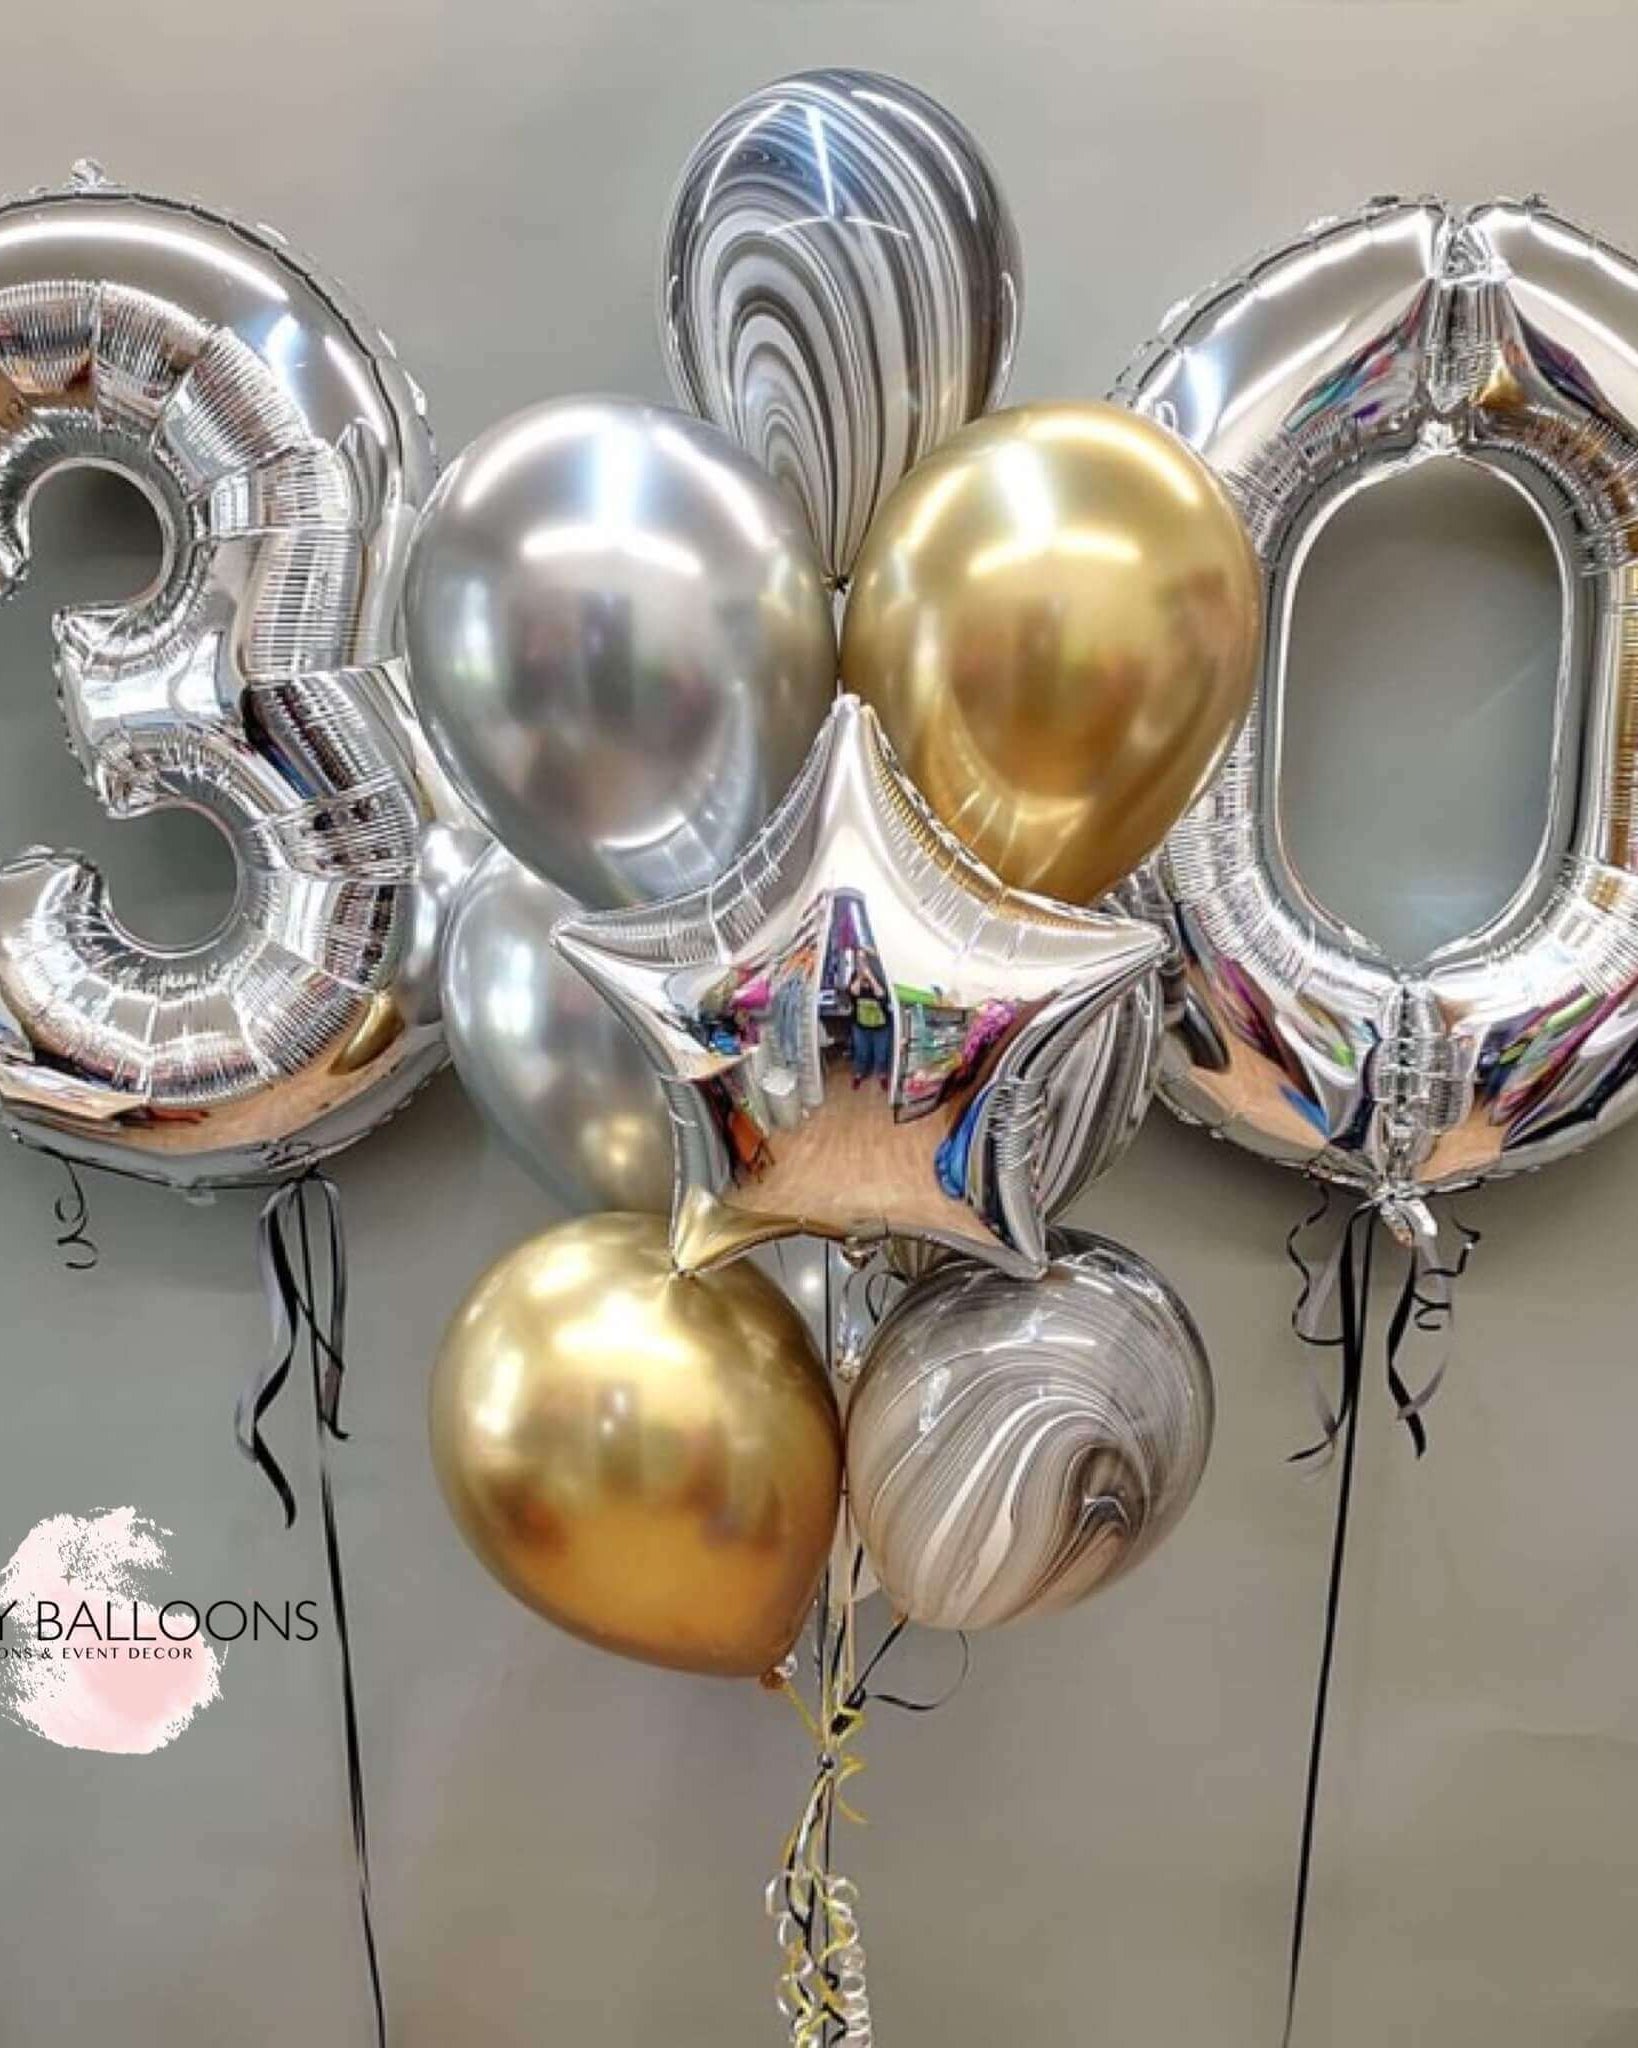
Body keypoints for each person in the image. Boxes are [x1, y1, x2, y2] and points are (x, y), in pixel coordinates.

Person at [848, 957, 891, 1089]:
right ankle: (858, 1074)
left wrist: (871, 977)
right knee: (861, 1053)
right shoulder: (855, 977)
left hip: (881, 1027)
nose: (862, 964)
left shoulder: (879, 976)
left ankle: (882, 1075)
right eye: (859, 961)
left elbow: (882, 995)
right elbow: (852, 993)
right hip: (860, 1026)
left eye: (864, 961)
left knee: (881, 1054)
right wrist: (860, 977)